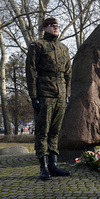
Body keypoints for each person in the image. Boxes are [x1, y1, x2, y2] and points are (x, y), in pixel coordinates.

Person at [26, 17, 72, 180]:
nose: (55, 28)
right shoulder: (37, 45)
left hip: (60, 93)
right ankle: (43, 167)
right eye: (52, 26)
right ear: (44, 28)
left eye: (57, 26)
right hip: (44, 92)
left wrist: (67, 93)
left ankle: (53, 165)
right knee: (42, 131)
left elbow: (68, 73)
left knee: (55, 131)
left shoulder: (63, 48)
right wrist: (33, 96)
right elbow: (30, 71)